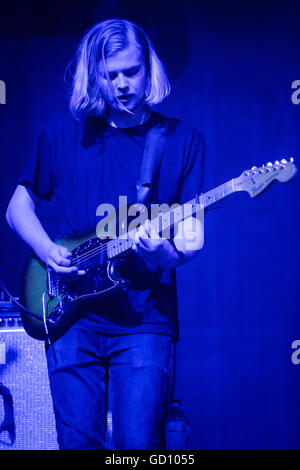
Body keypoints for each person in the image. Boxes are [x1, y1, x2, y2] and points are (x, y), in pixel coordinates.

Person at [6, 19, 207, 450]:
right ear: (94, 74)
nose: (121, 84)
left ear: (148, 67)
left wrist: (163, 255)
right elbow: (17, 207)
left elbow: (189, 241)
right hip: (69, 313)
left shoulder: (180, 140)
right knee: (77, 445)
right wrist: (47, 250)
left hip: (143, 321)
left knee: (138, 446)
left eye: (131, 72)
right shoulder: (61, 134)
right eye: (110, 74)